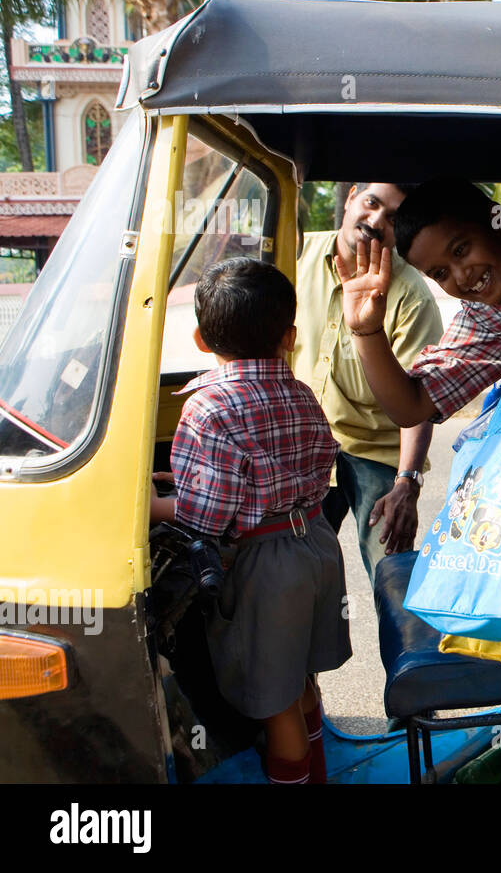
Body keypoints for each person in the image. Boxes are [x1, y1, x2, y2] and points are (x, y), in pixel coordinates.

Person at [150, 258, 350, 785]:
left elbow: (204, 515)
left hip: (266, 568)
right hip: (316, 547)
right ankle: (317, 773)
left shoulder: (208, 408)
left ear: (198, 338)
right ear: (288, 335)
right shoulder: (302, 394)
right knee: (299, 679)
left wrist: (148, 503)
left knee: (272, 700)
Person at [292, 182, 444, 582]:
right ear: (351, 196)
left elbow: (419, 399)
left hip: (377, 452)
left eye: (392, 217)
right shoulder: (295, 254)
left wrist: (407, 483)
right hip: (303, 443)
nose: (376, 221)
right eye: (371, 204)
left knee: (391, 573)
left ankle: (405, 643)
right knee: (290, 570)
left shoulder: (411, 294)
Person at [334, 179, 501, 428]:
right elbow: (410, 407)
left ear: (499, 221)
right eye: (440, 274)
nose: (461, 276)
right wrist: (367, 330)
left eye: (460, 250)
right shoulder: (486, 325)